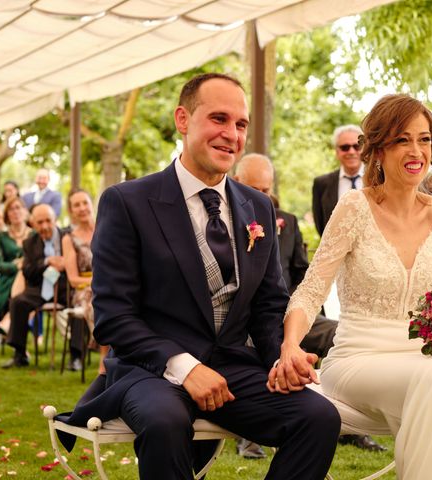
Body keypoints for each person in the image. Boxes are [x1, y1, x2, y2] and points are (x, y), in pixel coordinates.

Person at [59, 73, 340, 480]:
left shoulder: (259, 207)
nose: (232, 134)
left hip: (234, 368)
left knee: (318, 417)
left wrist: (282, 354)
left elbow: (268, 305)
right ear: (183, 120)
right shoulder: (127, 202)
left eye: (240, 124)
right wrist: (186, 368)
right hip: (150, 370)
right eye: (219, 119)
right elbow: (113, 316)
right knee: (165, 422)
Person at [272, 94, 432, 480]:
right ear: (378, 149)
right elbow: (311, 289)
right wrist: (291, 345)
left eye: (425, 140)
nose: (416, 150)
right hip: (359, 357)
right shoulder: (354, 208)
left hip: (424, 355)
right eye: (402, 139)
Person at [234, 153, 383, 456]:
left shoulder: (286, 221)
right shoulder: (227, 218)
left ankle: (348, 422)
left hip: (292, 310)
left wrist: (308, 310)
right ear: (237, 183)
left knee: (336, 333)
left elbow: (303, 271)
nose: (261, 196)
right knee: (258, 342)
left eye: (265, 190)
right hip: (250, 317)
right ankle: (249, 435)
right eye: (254, 189)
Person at [3, 204, 83, 369]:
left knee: (79, 304)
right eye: (40, 222)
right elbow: (27, 270)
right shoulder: (30, 243)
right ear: (32, 223)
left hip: (65, 287)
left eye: (48, 221)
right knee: (18, 302)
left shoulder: (68, 237)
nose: (45, 226)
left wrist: (66, 264)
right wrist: (47, 261)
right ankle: (20, 354)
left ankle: (76, 356)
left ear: (55, 220)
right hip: (40, 288)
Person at [62, 189, 108, 374]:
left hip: (111, 284)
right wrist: (98, 282)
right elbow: (73, 279)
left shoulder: (107, 228)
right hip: (84, 289)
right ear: (71, 211)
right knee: (100, 302)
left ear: (91, 204)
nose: (82, 208)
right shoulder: (69, 239)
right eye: (76, 205)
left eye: (84, 203)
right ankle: (105, 360)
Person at [0, 197, 31, 339]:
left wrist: (24, 266)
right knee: (6, 298)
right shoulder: (0, 237)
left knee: (25, 296)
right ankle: (14, 337)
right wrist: (16, 265)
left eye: (18, 207)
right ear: (7, 215)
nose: (15, 212)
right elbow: (0, 265)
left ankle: (7, 328)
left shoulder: (34, 235)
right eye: (11, 209)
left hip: (30, 278)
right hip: (6, 279)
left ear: (25, 211)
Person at [312, 125, 363, 237]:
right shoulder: (321, 184)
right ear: (337, 151)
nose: (351, 151)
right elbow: (320, 225)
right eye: (345, 147)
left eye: (357, 146)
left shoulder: (380, 179)